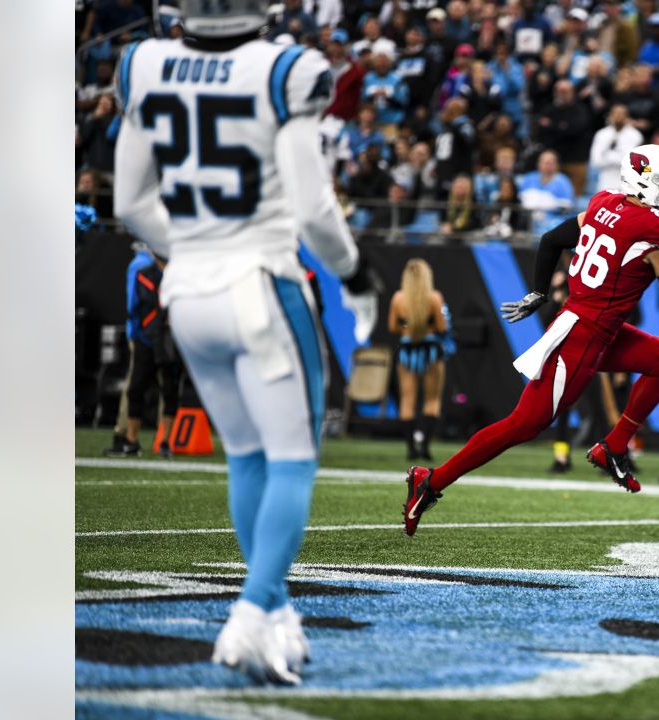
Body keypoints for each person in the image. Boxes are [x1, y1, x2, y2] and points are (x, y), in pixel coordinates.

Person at [113, 0, 379, 685]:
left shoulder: (144, 64)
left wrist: (197, 251)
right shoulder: (285, 69)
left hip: (188, 294)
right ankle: (253, 611)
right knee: (293, 460)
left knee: (248, 457)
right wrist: (355, 274)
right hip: (260, 286)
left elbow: (129, 205)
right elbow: (315, 209)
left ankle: (278, 612)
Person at [401, 144, 659, 535]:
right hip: (584, 337)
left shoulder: (603, 202)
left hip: (592, 326)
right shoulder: (655, 229)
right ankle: (431, 480)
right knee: (523, 424)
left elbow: (551, 240)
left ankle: (613, 445)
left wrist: (539, 292)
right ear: (644, 181)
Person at [104, 253, 182, 458]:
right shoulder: (143, 272)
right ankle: (131, 439)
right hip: (147, 337)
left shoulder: (178, 274)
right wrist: (138, 333)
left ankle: (165, 441)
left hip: (168, 338)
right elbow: (135, 307)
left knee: (169, 388)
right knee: (136, 388)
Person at [388, 259, 455, 461]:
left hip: (407, 350)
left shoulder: (398, 298)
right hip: (431, 351)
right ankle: (425, 448)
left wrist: (409, 329)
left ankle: (411, 449)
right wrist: (428, 329)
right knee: (432, 399)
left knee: (407, 400)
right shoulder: (434, 297)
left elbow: (392, 328)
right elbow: (443, 328)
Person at [589, 104, 645, 192]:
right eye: (615, 113)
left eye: (621, 114)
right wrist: (619, 156)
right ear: (610, 116)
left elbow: (630, 162)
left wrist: (607, 156)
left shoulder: (635, 135)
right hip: (605, 183)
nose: (618, 116)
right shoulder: (601, 134)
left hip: (627, 184)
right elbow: (596, 161)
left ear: (627, 117)